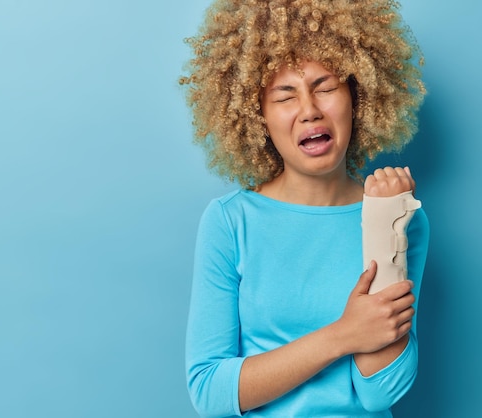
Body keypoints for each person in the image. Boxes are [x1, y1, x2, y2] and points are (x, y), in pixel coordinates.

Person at [180, 1, 429, 416]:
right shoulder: (230, 221)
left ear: (357, 95)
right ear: (257, 115)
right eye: (285, 95)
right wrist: (343, 336)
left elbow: (380, 393)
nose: (309, 110)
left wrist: (386, 223)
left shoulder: (402, 216)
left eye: (326, 87)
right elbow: (209, 392)